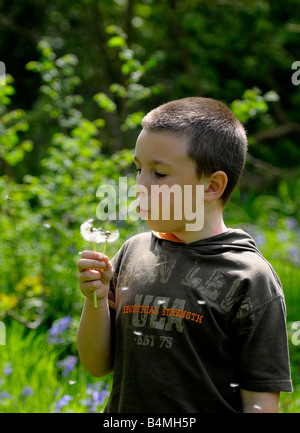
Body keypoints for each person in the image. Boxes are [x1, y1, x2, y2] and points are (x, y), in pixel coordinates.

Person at [77, 97, 292, 413]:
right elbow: (97, 365)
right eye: (138, 169)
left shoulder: (249, 278)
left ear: (211, 186)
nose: (139, 185)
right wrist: (94, 299)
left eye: (159, 174)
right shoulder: (131, 253)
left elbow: (260, 401)